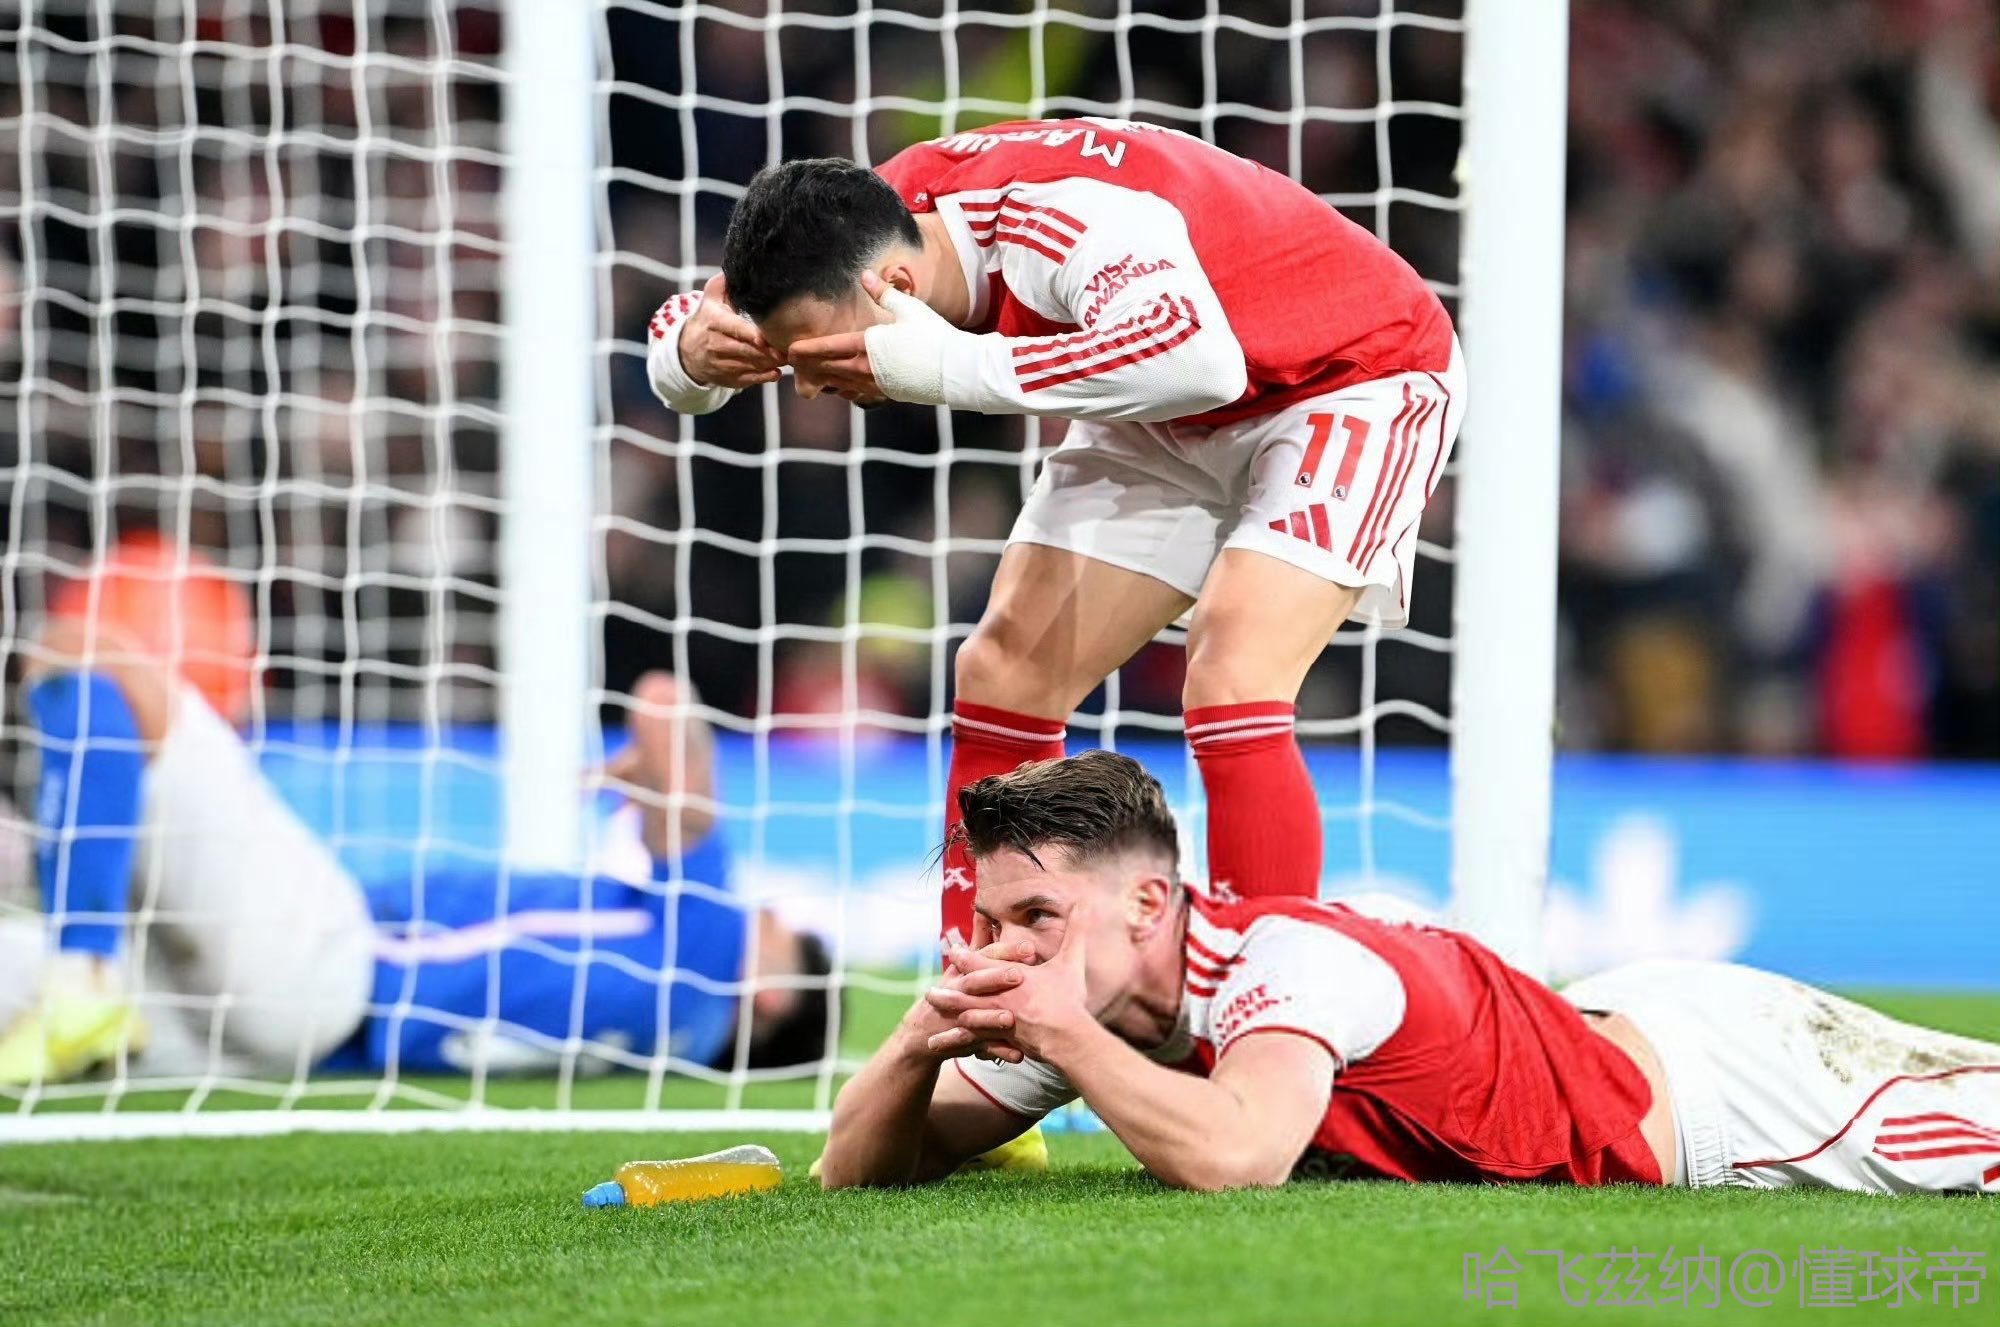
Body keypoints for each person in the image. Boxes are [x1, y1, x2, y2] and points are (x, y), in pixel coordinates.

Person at [645, 117, 1465, 948]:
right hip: (1170, 406)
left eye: (823, 358)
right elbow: (693, 311)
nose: (812, 387)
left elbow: (1199, 358)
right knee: (1003, 670)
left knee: (1232, 668)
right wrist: (686, 356)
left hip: (1346, 373)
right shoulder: (849, 226)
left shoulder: (1058, 221)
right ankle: (988, 989)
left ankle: (1266, 991)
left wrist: (953, 368)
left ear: (897, 284)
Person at [819, 751, 2000, 1195]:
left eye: (1035, 915)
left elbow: (1237, 1157)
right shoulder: (1101, 1004)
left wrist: (1064, 1039)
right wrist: (920, 1037)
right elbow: (857, 1171)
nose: (1008, 950)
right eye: (992, 922)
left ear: (1146, 903)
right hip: (1617, 1018)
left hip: (1726, 1096)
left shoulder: (1282, 965)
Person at [0, 624, 833, 1086]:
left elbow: (661, 703)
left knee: (85, 654)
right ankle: (75, 959)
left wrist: (656, 780)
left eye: (778, 930)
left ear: (767, 996)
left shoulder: (705, 964)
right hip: (283, 1046)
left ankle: (83, 969)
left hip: (326, 963)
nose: (760, 911)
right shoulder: (663, 1039)